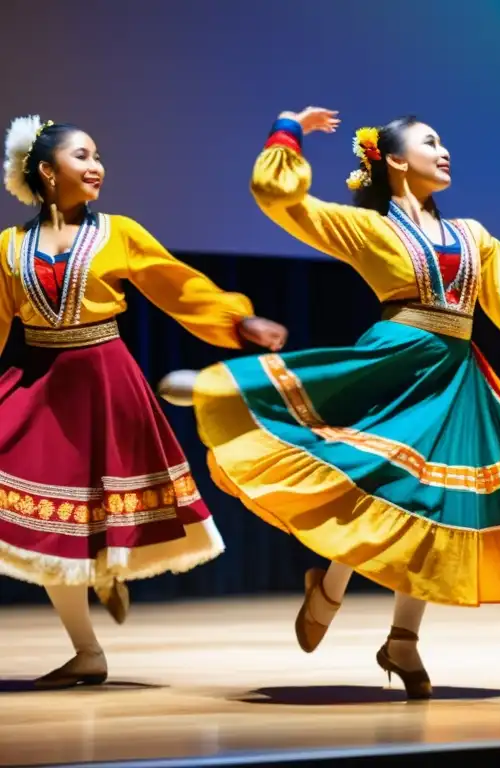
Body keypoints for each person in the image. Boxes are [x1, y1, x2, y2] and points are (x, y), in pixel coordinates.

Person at [159, 106, 500, 698]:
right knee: (381, 480)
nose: (444, 151)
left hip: (455, 377)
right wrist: (288, 129)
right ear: (393, 160)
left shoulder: (474, 236)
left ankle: (401, 638)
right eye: (430, 142)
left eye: (444, 142)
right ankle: (227, 396)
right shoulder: (372, 229)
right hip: (397, 362)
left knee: (434, 501)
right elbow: (282, 201)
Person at [0, 115, 287, 689]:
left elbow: (175, 284)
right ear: (45, 171)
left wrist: (239, 319)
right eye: (82, 156)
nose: (96, 166)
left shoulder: (119, 233)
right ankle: (87, 649)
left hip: (104, 381)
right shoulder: (8, 247)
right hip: (36, 381)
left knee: (96, 507)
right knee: (54, 523)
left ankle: (107, 573)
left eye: (97, 155)